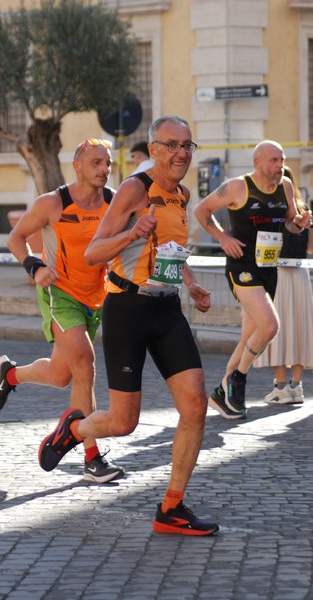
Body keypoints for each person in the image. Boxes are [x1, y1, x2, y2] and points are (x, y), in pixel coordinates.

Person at [38, 115, 220, 536]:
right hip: (127, 309)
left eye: (187, 146)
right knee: (124, 422)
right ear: (153, 149)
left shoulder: (182, 194)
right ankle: (76, 428)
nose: (180, 153)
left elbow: (173, 251)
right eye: (171, 145)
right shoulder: (136, 189)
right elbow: (94, 252)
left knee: (194, 406)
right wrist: (133, 231)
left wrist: (190, 284)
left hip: (167, 308)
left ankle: (171, 508)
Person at [0, 138, 125, 484]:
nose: (103, 170)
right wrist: (34, 268)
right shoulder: (53, 203)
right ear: (77, 165)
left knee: (60, 375)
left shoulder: (114, 202)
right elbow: (15, 238)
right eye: (96, 163)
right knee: (85, 365)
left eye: (107, 163)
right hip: (59, 294)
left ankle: (10, 375)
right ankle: (91, 457)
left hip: (96, 296)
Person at [194, 141, 312, 420]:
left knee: (249, 335)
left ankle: (223, 394)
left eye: (281, 160)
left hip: (268, 268)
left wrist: (301, 222)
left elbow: (289, 222)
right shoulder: (238, 186)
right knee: (270, 325)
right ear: (258, 162)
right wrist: (223, 238)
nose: (279, 165)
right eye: (273, 160)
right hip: (242, 266)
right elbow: (201, 210)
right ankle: (238, 379)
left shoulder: (284, 185)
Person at [254, 165, 313, 404]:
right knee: (299, 329)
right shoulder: (303, 211)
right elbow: (310, 248)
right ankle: (296, 387)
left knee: (274, 330)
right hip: (299, 275)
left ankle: (280, 387)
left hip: (275, 273)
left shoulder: (272, 213)